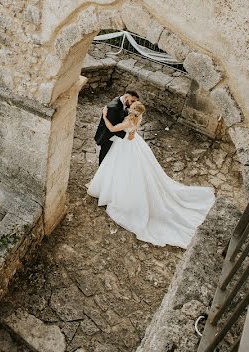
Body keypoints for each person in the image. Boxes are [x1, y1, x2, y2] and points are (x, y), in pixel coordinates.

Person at [88, 100, 215, 248]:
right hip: (134, 143)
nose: (129, 107)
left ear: (134, 110)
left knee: (121, 170)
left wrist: (104, 116)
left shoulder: (129, 120)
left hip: (124, 146)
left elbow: (112, 128)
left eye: (132, 106)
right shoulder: (137, 118)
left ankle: (115, 193)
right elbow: (131, 135)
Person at [94, 91, 138, 165]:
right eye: (132, 101)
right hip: (108, 137)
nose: (133, 104)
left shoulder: (124, 102)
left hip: (117, 136)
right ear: (126, 97)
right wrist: (126, 135)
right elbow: (111, 129)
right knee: (105, 158)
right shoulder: (114, 108)